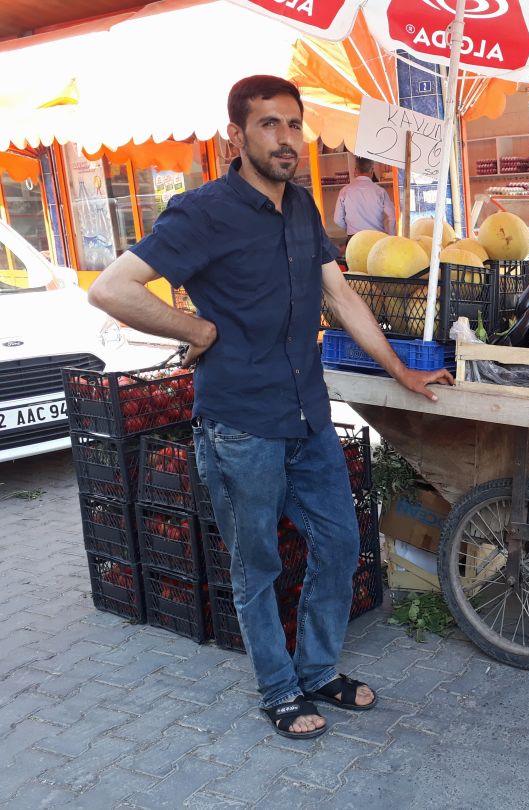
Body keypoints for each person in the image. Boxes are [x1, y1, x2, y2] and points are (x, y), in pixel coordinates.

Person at [88, 75, 453, 740]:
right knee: (257, 565)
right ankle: (278, 689)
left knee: (341, 545)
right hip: (240, 427)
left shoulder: (303, 208)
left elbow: (338, 298)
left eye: (294, 124)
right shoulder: (202, 212)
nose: (286, 138)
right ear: (237, 134)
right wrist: (196, 332)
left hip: (307, 415)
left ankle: (316, 670)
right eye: (269, 125)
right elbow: (112, 289)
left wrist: (400, 369)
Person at [334, 157, 396, 236]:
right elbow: (393, 216)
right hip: (376, 238)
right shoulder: (380, 191)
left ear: (356, 170)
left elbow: (337, 220)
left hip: (354, 239)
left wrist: (349, 229)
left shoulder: (344, 191)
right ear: (371, 170)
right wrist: (390, 237)